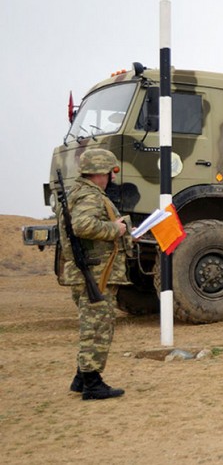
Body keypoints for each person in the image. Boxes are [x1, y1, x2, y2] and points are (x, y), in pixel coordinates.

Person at [58, 148, 131, 400]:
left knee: (95, 322)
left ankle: (82, 377)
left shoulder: (81, 193)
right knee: (97, 325)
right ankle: (92, 383)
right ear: (100, 173)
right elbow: (82, 225)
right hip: (95, 272)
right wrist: (115, 229)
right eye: (109, 172)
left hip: (94, 270)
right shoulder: (89, 196)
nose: (111, 177)